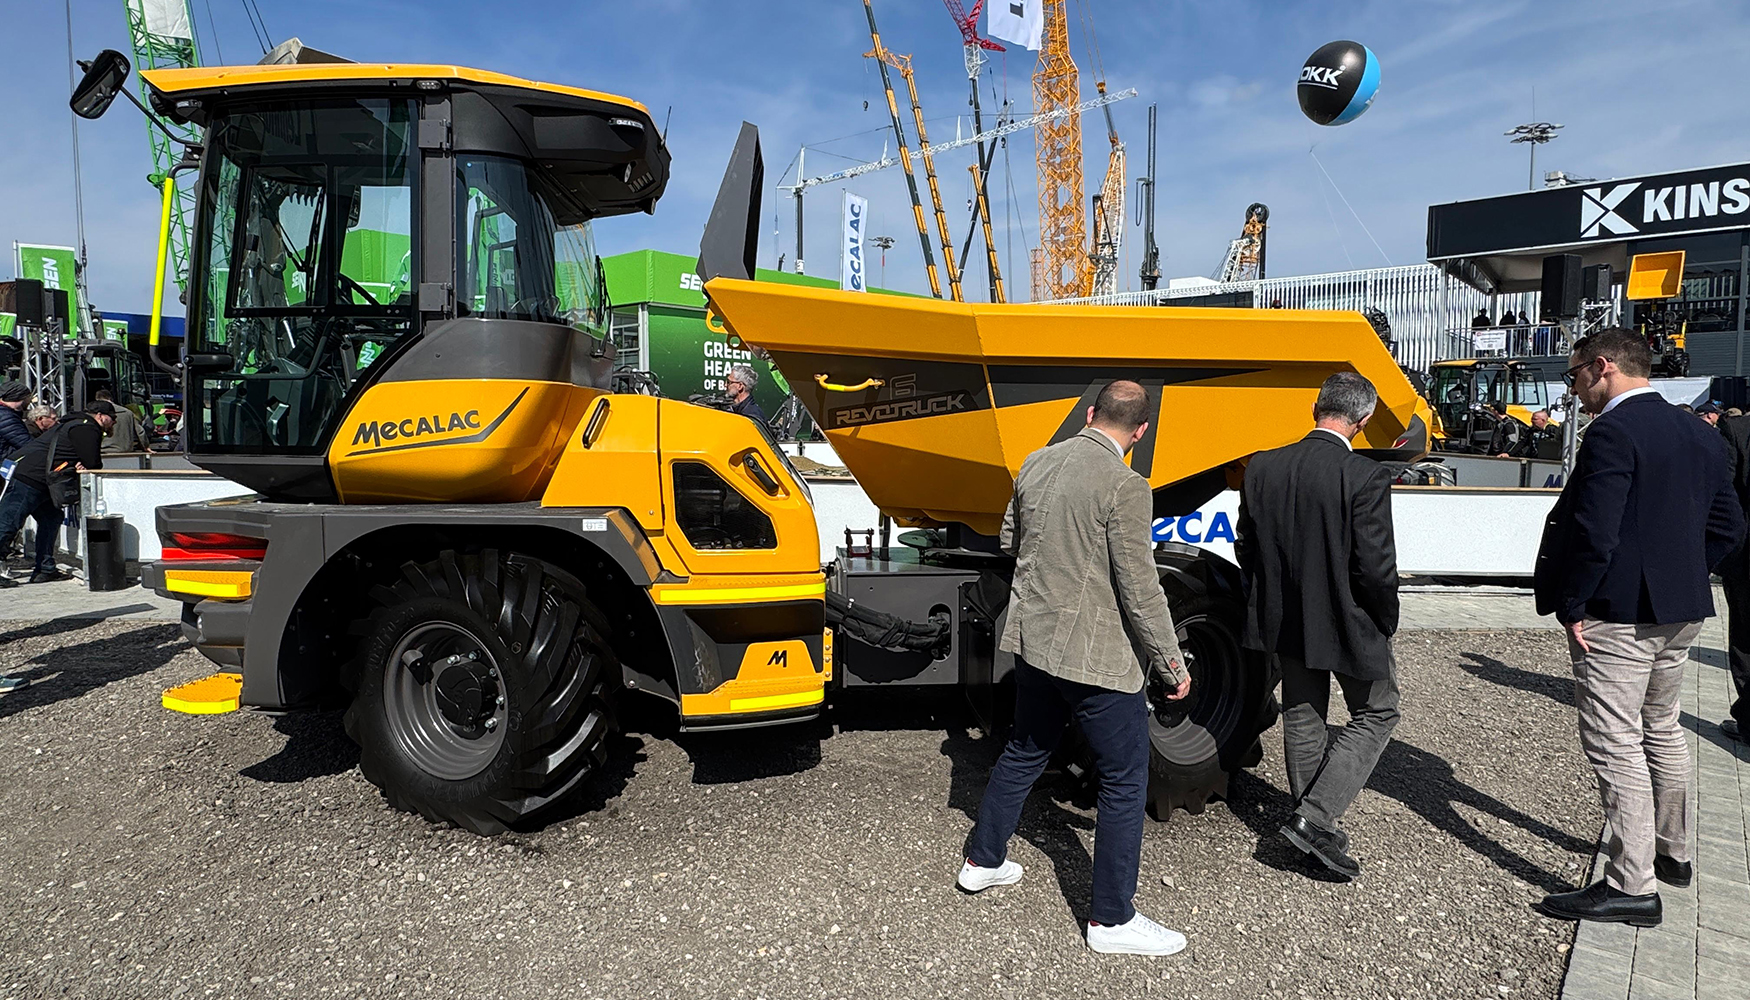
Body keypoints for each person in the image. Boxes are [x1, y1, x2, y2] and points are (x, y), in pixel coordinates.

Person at [959, 380, 1192, 957]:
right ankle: (1111, 919)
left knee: (1024, 749)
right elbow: (1141, 587)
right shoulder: (1127, 486)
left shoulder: (1036, 462)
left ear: (1089, 414)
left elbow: (1012, 540)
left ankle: (981, 861)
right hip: (1095, 657)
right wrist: (1171, 663)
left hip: (1035, 644)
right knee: (1124, 779)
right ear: (1139, 432)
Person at [1533, 328, 1744, 928]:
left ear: (1603, 367)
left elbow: (1594, 531)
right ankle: (1673, 854)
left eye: (1575, 375)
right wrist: (1685, 572)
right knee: (1662, 727)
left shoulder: (1613, 432)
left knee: (1614, 739)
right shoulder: (1696, 432)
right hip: (1680, 610)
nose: (1573, 390)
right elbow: (1730, 526)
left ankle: (1632, 886)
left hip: (1617, 615)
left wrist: (1574, 604)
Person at [1236, 372, 1401, 881]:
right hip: (1348, 618)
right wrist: (1386, 617)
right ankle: (1313, 819)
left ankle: (1309, 827)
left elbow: (1246, 546)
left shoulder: (1261, 467)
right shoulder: (1365, 475)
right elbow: (1374, 566)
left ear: (1316, 407)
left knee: (1304, 714)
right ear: (1364, 419)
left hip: (1284, 615)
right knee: (1377, 712)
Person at [0, 400, 114, 586]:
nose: (114, 422)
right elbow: (93, 463)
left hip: (39, 478)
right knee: (8, 522)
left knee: (51, 518)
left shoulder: (72, 424)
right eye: (112, 418)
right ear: (101, 416)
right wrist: (83, 463)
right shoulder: (88, 428)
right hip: (30, 478)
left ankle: (45, 568)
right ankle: (42, 567)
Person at [1717, 410, 1750, 743]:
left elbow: (1723, 495)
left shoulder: (1737, 428)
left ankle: (1748, 721)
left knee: (1744, 638)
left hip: (1744, 558)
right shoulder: (1737, 428)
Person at [0, 380, 33, 454]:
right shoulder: (6, 417)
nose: (30, 401)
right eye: (28, 397)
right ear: (20, 398)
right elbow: (26, 444)